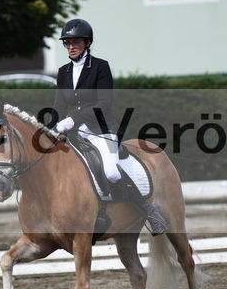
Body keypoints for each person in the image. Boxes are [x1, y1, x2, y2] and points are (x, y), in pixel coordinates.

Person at [52, 18, 167, 234]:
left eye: (75, 42)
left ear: (87, 43)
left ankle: (148, 210)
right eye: (67, 43)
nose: (71, 46)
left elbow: (104, 104)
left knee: (111, 172)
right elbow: (58, 104)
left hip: (101, 130)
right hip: (74, 133)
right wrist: (51, 125)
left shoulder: (100, 67)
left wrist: (74, 118)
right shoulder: (63, 72)